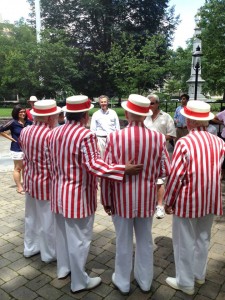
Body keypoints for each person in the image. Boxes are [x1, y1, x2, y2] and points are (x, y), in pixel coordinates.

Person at [48, 95, 143, 293]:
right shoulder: (85, 135)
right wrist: (122, 169)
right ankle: (80, 282)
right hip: (77, 195)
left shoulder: (54, 133)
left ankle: (64, 269)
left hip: (58, 192)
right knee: (80, 239)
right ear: (84, 115)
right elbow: (94, 165)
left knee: (63, 235)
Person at [101, 94, 171, 295]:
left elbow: (106, 172)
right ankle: (145, 281)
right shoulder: (157, 138)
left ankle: (123, 282)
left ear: (129, 113)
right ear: (144, 115)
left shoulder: (114, 137)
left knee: (123, 241)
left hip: (120, 199)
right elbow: (166, 170)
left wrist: (105, 200)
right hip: (146, 199)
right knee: (145, 240)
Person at [164, 100, 225, 295]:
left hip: (188, 199)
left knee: (184, 241)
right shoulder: (220, 142)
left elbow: (176, 176)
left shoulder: (184, 143)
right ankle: (199, 275)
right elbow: (219, 170)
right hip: (209, 198)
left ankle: (185, 282)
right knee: (203, 237)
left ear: (190, 120)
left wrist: (168, 201)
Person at [19, 100, 61, 262]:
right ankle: (48, 253)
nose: (57, 117)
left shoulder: (26, 131)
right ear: (50, 117)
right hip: (47, 183)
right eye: (55, 115)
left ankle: (30, 247)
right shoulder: (52, 135)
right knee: (47, 220)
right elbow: (54, 162)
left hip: (30, 179)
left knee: (31, 216)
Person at [144, 94, 176, 219]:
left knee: (160, 179)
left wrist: (157, 138)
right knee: (146, 178)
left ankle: (160, 206)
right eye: (148, 103)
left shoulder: (166, 117)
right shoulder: (143, 116)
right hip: (146, 153)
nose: (149, 106)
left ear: (157, 104)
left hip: (161, 153)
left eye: (151, 103)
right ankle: (147, 202)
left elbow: (172, 135)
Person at [0, 105, 32, 194]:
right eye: (20, 112)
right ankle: (19, 187)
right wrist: (10, 138)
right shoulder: (13, 122)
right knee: (18, 168)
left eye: (24, 112)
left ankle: (25, 185)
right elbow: (1, 130)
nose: (22, 113)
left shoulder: (29, 122)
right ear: (16, 113)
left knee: (25, 168)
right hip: (16, 149)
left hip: (27, 149)